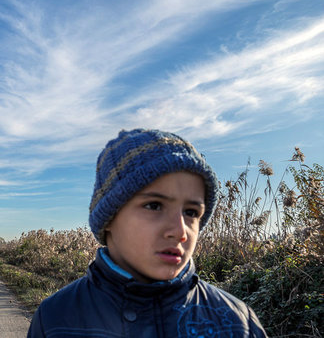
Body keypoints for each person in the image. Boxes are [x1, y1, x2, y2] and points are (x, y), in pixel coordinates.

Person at [27, 129, 267, 338]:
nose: (180, 231)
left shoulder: (237, 322)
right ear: (109, 217)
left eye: (191, 212)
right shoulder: (56, 320)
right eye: (154, 206)